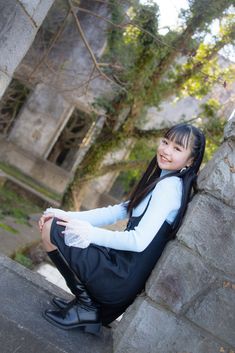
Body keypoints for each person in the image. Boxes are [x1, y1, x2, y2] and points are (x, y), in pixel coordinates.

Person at [39, 123, 205, 334]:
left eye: (177, 148)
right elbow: (117, 211)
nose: (165, 150)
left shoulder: (169, 188)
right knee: (54, 223)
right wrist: (64, 215)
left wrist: (87, 233)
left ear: (190, 161)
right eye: (165, 142)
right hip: (118, 274)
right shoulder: (162, 181)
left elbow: (138, 241)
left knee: (52, 229)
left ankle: (87, 307)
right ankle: (87, 304)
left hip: (119, 279)